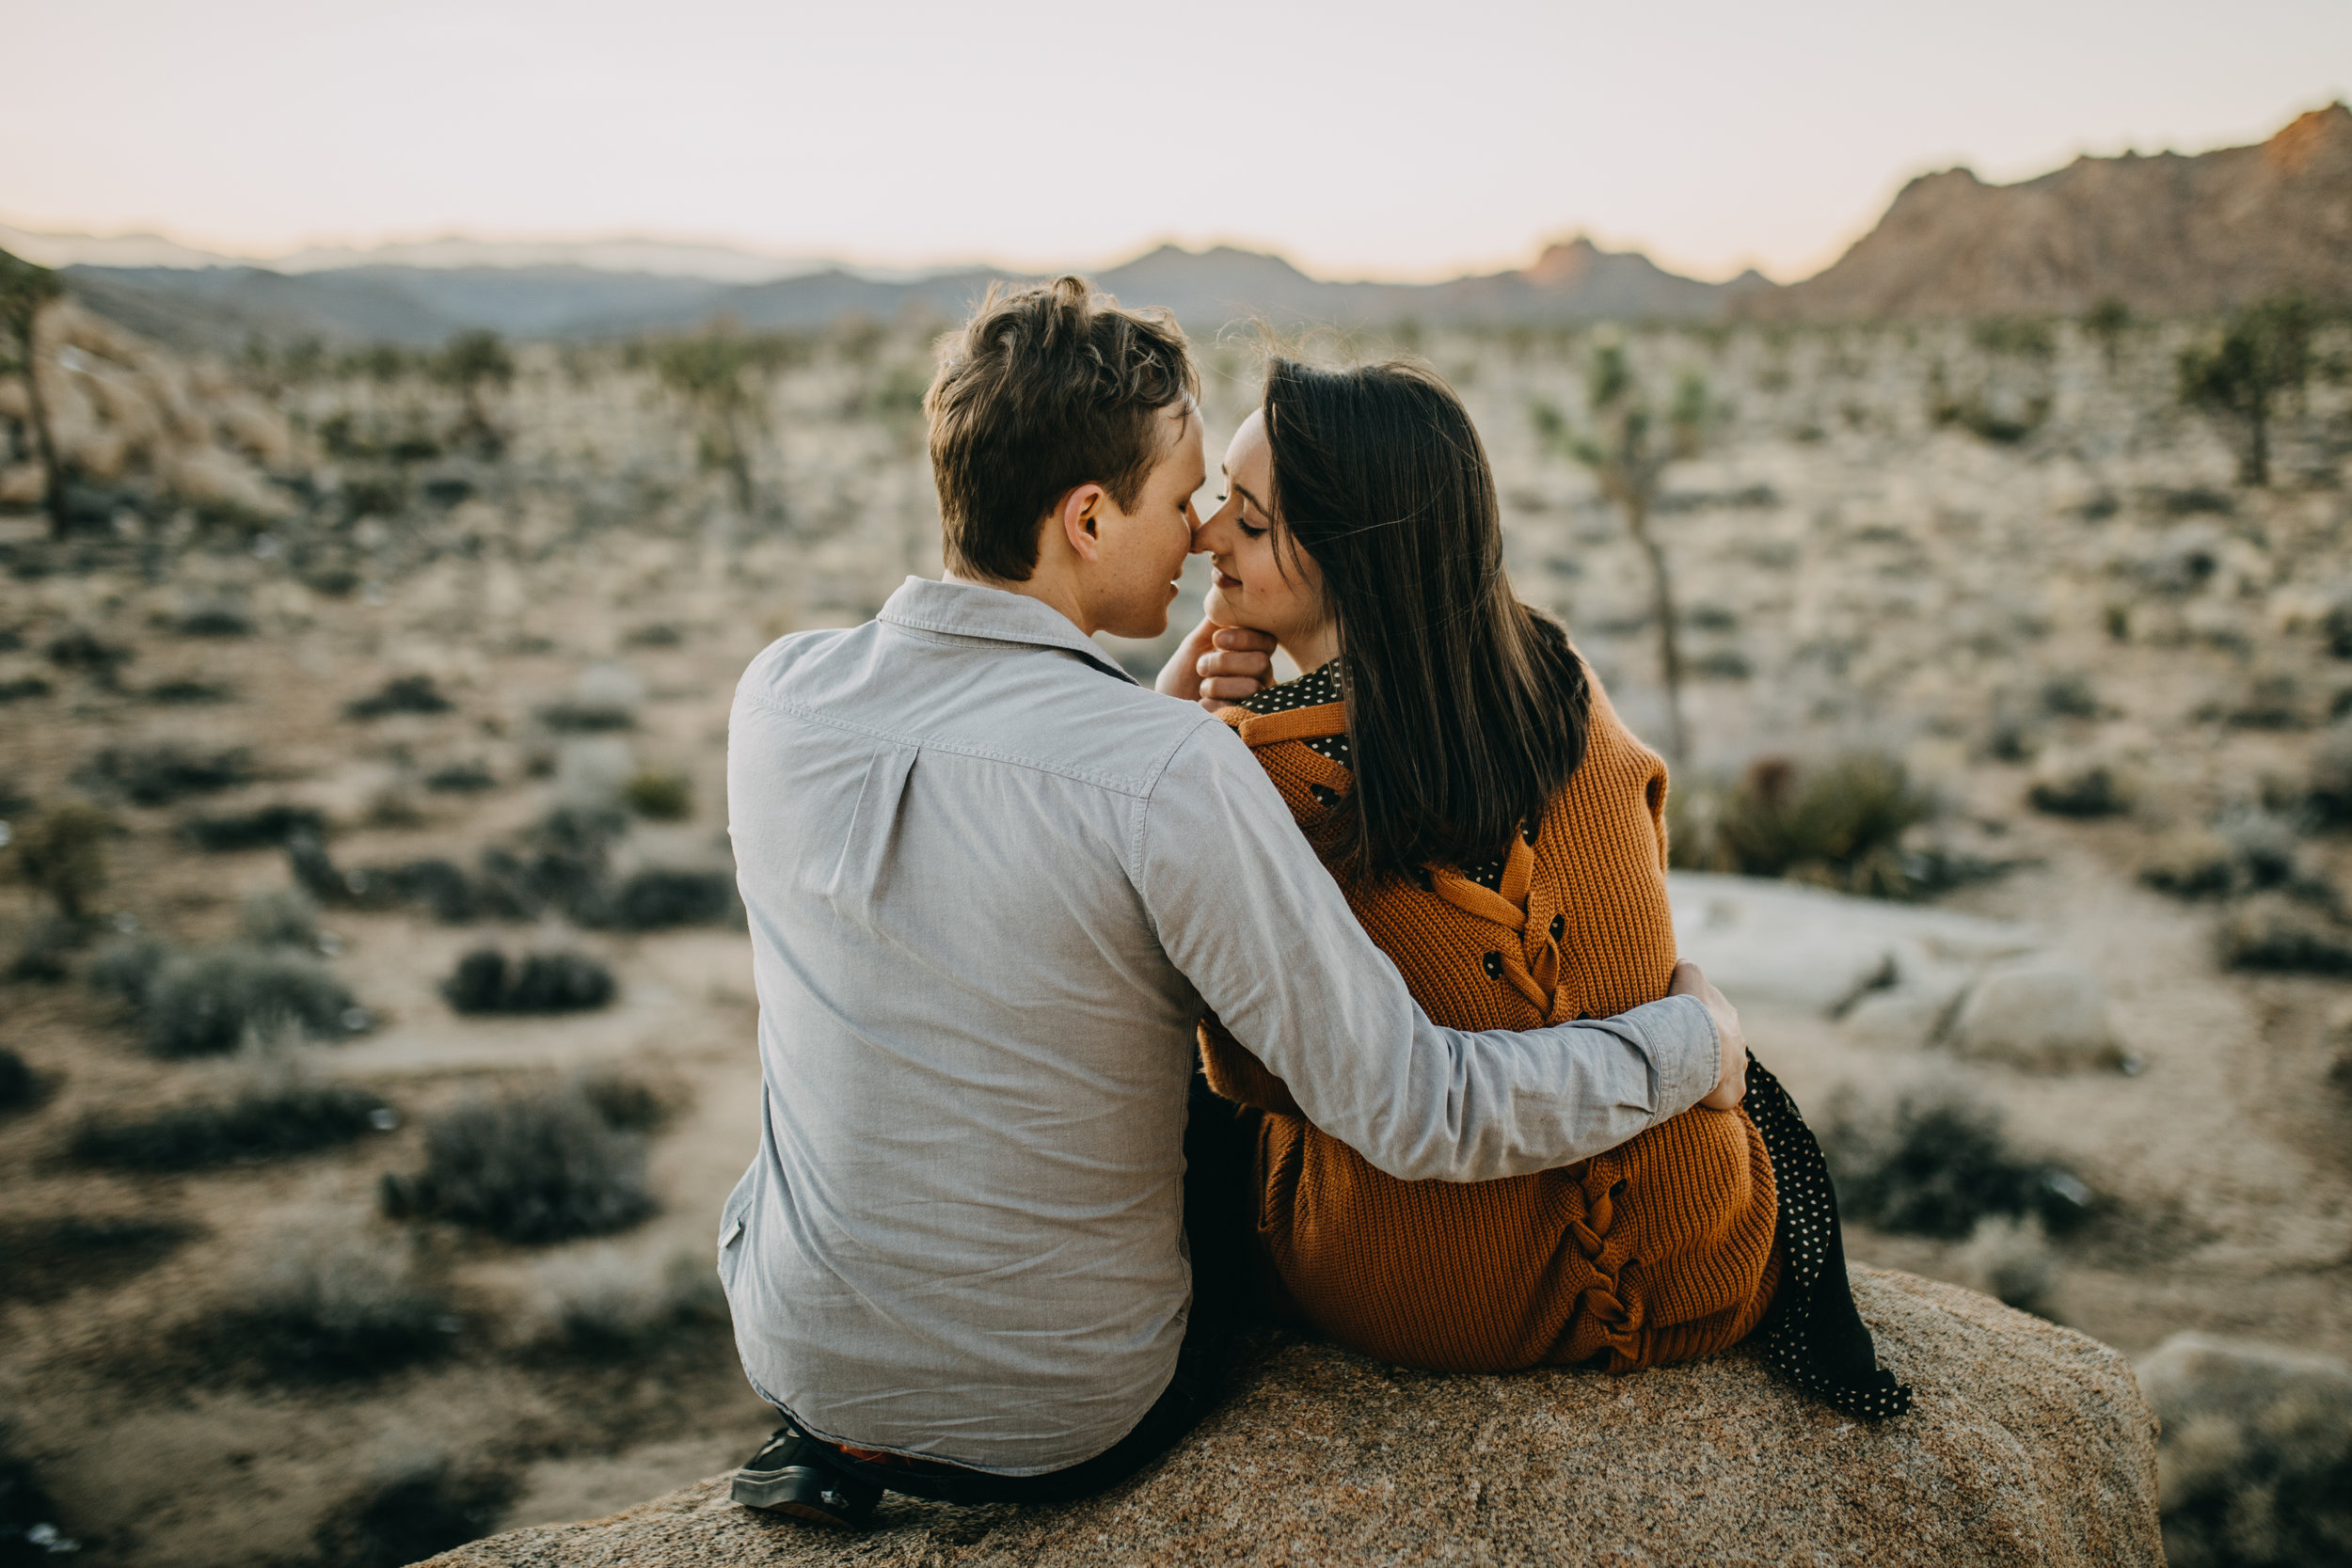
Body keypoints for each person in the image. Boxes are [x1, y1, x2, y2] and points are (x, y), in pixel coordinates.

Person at [719, 277, 1750, 1528]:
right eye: (1183, 496)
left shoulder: (777, 697)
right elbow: (1412, 1105)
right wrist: (1683, 1045)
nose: (1203, 532)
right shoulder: (1175, 775)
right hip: (1068, 1422)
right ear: (1091, 517)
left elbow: (1005, 830)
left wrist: (1152, 720)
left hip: (798, 1355)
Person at [1164, 356, 1909, 1416]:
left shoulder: (1256, 783)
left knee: (1199, 1095)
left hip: (1434, 1299)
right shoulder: (1560, 685)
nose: (1205, 537)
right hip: (1706, 1256)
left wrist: (1214, 734)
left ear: (1344, 555)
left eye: (1246, 518)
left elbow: (1254, 1069)